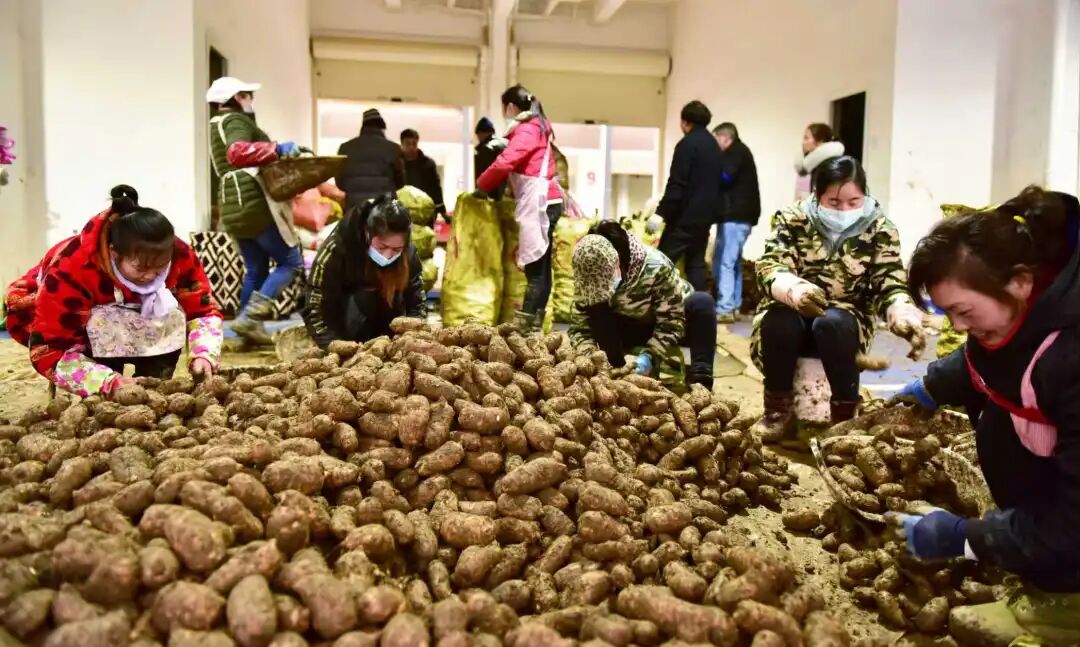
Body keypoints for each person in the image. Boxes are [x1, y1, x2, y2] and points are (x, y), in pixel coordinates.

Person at [892, 186, 1080, 645]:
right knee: (996, 417)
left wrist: (968, 537)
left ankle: (1064, 612)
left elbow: (1075, 519)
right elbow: (997, 355)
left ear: (1018, 281)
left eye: (963, 311)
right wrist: (932, 385)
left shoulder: (1074, 357)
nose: (956, 327)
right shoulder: (1032, 296)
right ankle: (1044, 575)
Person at [750, 156, 925, 440]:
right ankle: (777, 413)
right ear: (817, 196)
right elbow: (771, 265)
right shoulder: (793, 219)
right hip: (792, 308)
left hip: (846, 317)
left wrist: (902, 313)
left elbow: (888, 280)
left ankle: (844, 417)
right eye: (834, 202)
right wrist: (795, 291)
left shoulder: (879, 229)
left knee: (831, 324)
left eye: (853, 202)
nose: (844, 210)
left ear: (864, 195)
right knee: (779, 321)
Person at [14, 185, 222, 397]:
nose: (150, 276)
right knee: (109, 391)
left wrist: (203, 354)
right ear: (114, 253)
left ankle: (154, 376)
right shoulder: (73, 269)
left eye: (159, 268)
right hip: (74, 322)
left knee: (154, 387)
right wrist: (106, 382)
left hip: (139, 320)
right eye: (141, 268)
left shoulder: (179, 255)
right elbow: (49, 348)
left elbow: (203, 310)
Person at [206, 76, 304, 345]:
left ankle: (245, 328)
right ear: (237, 97)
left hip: (233, 203)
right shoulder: (234, 121)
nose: (251, 100)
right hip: (251, 200)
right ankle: (250, 318)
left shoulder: (216, 125)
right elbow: (237, 152)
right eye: (248, 95)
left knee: (256, 267)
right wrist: (277, 149)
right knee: (290, 262)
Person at [569, 222, 716, 389]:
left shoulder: (657, 266)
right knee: (597, 312)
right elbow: (580, 327)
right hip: (625, 325)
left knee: (702, 302)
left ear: (621, 264)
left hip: (664, 322)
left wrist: (650, 356)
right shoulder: (587, 268)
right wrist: (591, 358)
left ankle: (700, 378)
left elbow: (672, 322)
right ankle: (616, 363)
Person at [476, 85, 563, 332]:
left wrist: (482, 184)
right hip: (547, 201)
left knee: (536, 269)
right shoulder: (538, 126)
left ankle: (524, 330)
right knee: (542, 268)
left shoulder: (528, 129)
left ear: (511, 107)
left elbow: (506, 162)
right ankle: (534, 327)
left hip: (540, 203)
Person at [303, 194, 426, 348]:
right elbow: (314, 307)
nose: (388, 255)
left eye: (396, 249)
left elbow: (417, 304)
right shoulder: (338, 248)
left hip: (391, 333)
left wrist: (412, 339)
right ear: (368, 234)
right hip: (346, 329)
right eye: (382, 247)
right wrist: (334, 347)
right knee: (363, 297)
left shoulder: (408, 253)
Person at [656, 101, 723, 292]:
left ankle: (652, 307)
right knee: (696, 265)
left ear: (686, 122)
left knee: (662, 262)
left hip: (683, 218)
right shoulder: (714, 147)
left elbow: (677, 184)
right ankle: (699, 310)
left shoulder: (686, 145)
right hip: (705, 218)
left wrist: (660, 213)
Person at [712, 122, 761, 322]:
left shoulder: (735, 153)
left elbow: (725, 177)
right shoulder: (742, 151)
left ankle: (725, 308)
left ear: (725, 138)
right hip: (741, 216)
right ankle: (734, 305)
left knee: (725, 262)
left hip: (735, 216)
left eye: (716, 140)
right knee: (733, 263)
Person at [336, 108, 405, 211]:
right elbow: (401, 182)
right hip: (384, 208)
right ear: (381, 126)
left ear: (363, 126)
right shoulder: (393, 149)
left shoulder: (345, 148)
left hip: (354, 209)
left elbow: (340, 182)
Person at [400, 129, 446, 217]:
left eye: (414, 144)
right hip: (403, 211)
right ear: (402, 144)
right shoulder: (397, 164)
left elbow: (435, 188)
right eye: (408, 144)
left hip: (424, 210)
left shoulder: (428, 164)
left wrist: (441, 209)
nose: (411, 147)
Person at [795, 123, 845, 201]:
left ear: (820, 140)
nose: (803, 142)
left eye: (806, 138)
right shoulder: (812, 164)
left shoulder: (829, 165)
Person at [473, 117, 506, 201]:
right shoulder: (503, 146)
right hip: (504, 193)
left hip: (490, 195)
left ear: (480, 133)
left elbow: (485, 172)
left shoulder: (487, 149)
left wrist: (481, 190)